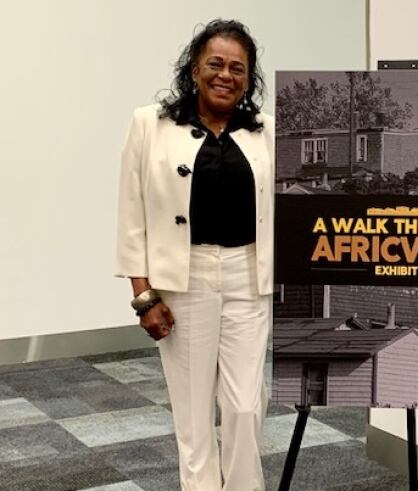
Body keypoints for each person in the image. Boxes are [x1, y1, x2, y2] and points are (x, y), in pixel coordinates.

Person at [115, 19, 274, 491]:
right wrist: (143, 295)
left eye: (238, 68)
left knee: (246, 407)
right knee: (193, 413)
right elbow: (132, 214)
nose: (226, 75)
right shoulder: (151, 124)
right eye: (216, 64)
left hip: (249, 276)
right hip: (184, 280)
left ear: (249, 79)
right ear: (194, 68)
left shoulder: (267, 131)